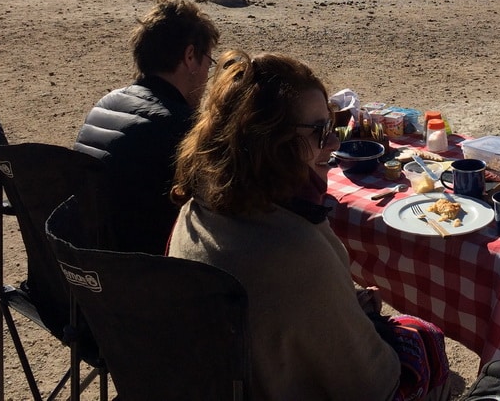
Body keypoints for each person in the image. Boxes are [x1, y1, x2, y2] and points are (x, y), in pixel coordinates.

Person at [169, 50, 452, 401]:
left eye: (333, 127)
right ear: (270, 142)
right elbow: (372, 383)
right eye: (320, 131)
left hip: (233, 382)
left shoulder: (199, 210)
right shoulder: (293, 248)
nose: (334, 143)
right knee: (425, 340)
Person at [74, 0, 219, 254]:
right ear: (190, 56)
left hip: (88, 262)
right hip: (141, 276)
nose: (208, 75)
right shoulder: (182, 127)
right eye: (208, 61)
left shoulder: (105, 104)